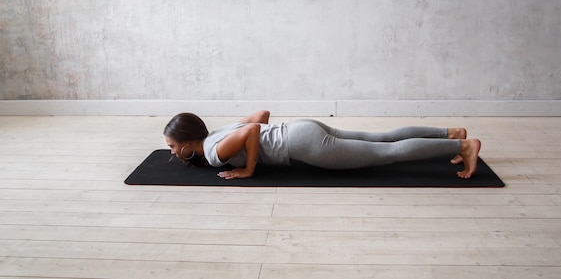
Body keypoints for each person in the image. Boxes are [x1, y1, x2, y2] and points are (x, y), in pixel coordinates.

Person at [163, 110, 482, 180]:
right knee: (382, 137)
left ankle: (462, 148)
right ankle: (450, 134)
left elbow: (251, 132)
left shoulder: (215, 153)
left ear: (189, 142)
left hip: (303, 145)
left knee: (386, 153)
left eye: (173, 146)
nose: (173, 151)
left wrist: (248, 168)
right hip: (303, 127)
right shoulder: (216, 132)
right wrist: (258, 134)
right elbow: (259, 117)